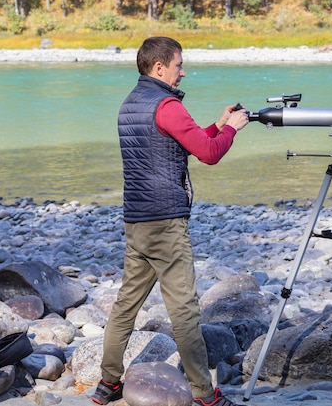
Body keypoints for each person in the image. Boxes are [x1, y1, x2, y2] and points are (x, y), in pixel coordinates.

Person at [90, 36, 249, 406]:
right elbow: (208, 153)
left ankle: (107, 383)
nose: (183, 70)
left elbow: (184, 141)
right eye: (179, 64)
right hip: (166, 223)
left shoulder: (131, 103)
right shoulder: (166, 105)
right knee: (185, 312)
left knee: (125, 306)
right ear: (159, 67)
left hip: (137, 222)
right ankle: (204, 394)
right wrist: (233, 130)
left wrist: (218, 122)